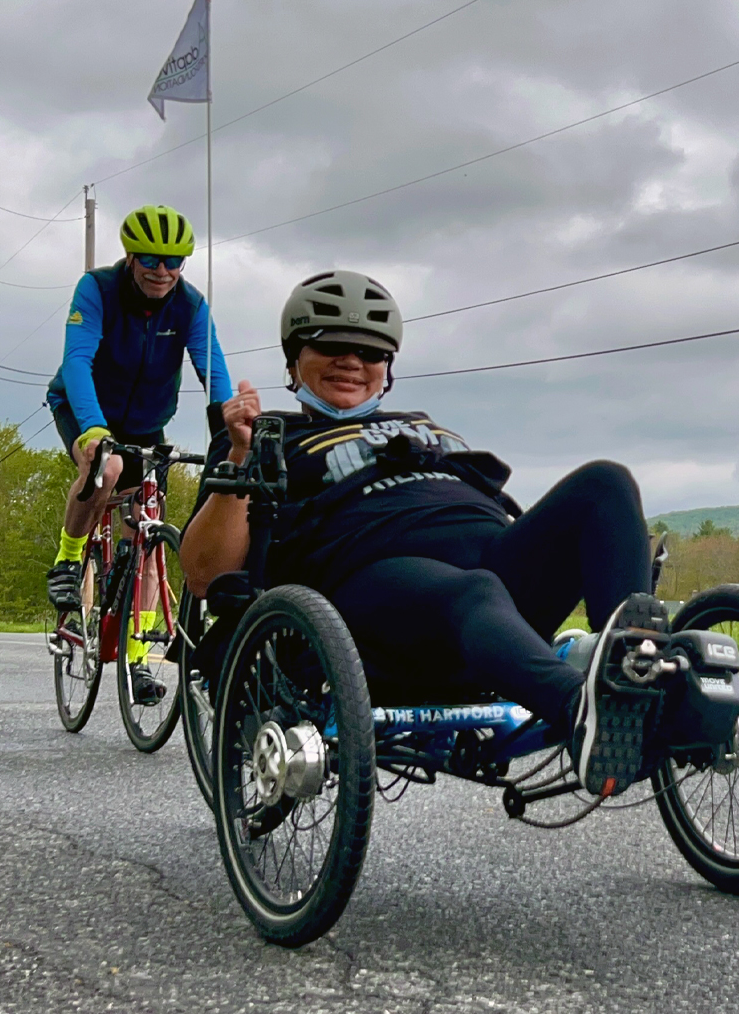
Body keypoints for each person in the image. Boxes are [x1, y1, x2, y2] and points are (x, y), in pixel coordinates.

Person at [180, 269, 667, 797]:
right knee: (476, 589)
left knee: (606, 483)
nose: (352, 361)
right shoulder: (266, 434)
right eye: (332, 346)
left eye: (370, 352)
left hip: (493, 566)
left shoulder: (422, 423)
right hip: (373, 585)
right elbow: (208, 573)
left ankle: (633, 670)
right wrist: (240, 455)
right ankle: (581, 712)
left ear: (386, 368)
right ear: (294, 360)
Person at [45, 204, 232, 703]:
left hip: (148, 423)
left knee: (145, 523)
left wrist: (229, 431)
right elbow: (77, 360)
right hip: (86, 406)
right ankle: (67, 560)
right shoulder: (98, 288)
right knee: (105, 468)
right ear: (130, 256)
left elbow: (213, 368)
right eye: (150, 257)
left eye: (175, 261)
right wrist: (91, 430)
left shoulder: (190, 305)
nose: (162, 270)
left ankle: (137, 658)